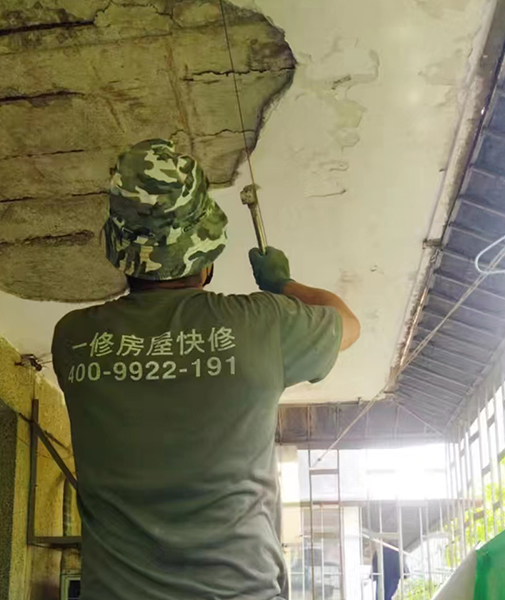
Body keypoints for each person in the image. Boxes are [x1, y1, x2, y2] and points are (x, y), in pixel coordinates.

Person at [52, 139, 360, 600]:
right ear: (205, 256)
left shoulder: (73, 340)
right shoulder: (261, 324)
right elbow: (348, 324)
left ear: (121, 253)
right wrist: (283, 283)